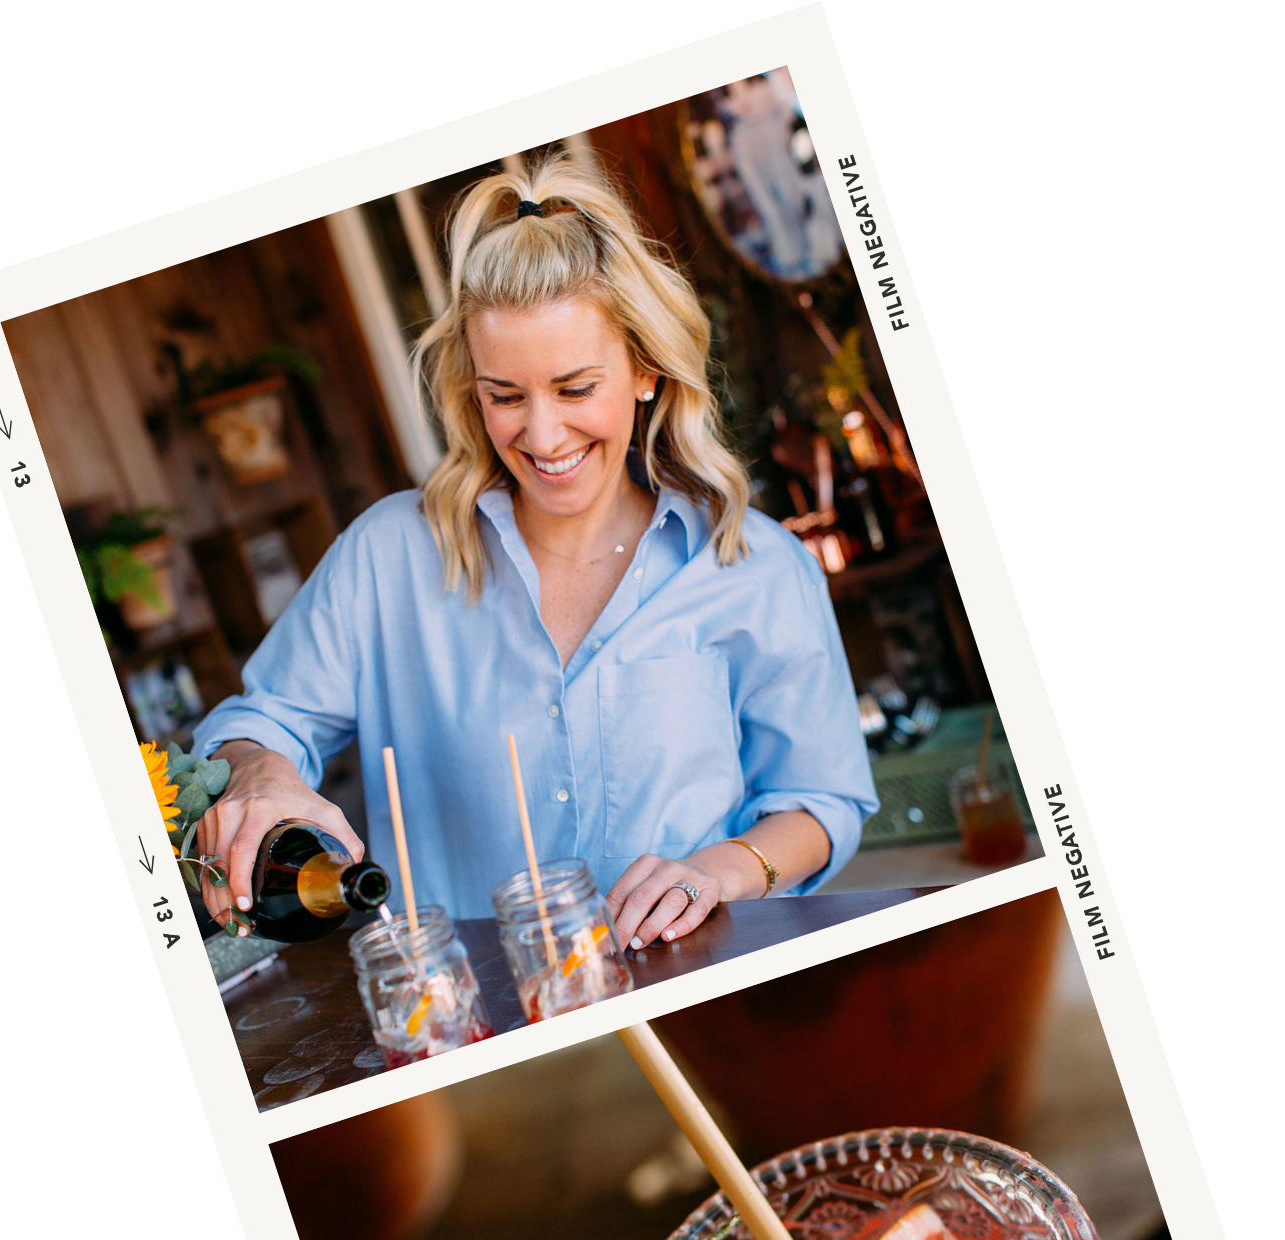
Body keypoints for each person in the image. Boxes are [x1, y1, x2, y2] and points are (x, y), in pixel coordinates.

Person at [192, 150, 877, 952]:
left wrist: (720, 870)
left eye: (576, 389)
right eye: (504, 397)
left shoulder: (755, 567)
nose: (542, 436)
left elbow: (822, 801)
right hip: (466, 1016)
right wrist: (263, 773)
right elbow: (262, 720)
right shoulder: (389, 555)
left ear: (646, 371)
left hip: (698, 985)